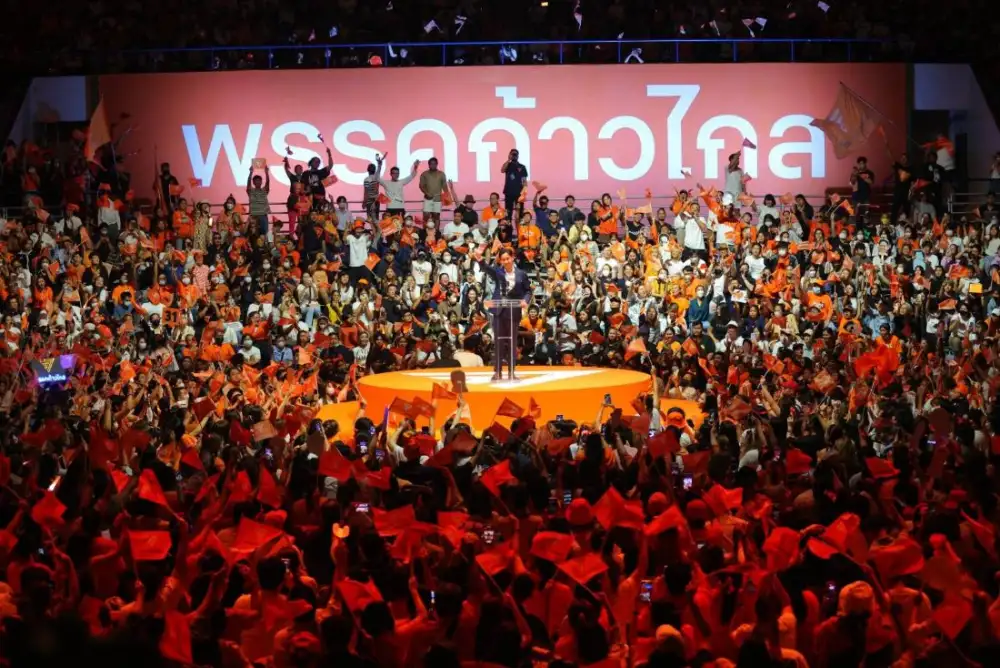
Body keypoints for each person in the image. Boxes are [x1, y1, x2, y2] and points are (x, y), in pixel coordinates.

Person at [485, 247, 530, 380]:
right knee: (498, 343)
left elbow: (528, 290)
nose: (505, 261)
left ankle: (511, 372)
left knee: (512, 343)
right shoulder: (498, 272)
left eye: (507, 259)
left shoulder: (521, 274)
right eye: (503, 259)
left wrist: (525, 300)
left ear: (512, 258)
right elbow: (487, 269)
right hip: (499, 312)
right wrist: (480, 260)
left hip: (513, 312)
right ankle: (497, 371)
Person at [418, 156, 447, 227]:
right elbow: (421, 186)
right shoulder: (424, 174)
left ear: (437, 164)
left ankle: (436, 232)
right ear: (429, 165)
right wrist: (427, 193)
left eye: (434, 164)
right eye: (431, 164)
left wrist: (447, 198)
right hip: (428, 198)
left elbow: (444, 186)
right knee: (426, 215)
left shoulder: (441, 174)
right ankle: (424, 231)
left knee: (436, 216)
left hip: (438, 199)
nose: (433, 165)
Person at [500, 148, 528, 223]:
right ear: (510, 155)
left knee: (520, 213)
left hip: (519, 193)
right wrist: (509, 159)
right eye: (512, 154)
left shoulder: (522, 167)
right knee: (508, 213)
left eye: (515, 154)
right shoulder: (507, 165)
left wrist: (524, 193)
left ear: (518, 156)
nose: (514, 155)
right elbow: (502, 170)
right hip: (509, 192)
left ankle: (521, 229)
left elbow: (524, 181)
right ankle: (508, 229)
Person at [246, 164, 271, 239]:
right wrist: (250, 172)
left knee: (264, 234)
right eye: (256, 181)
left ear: (261, 182)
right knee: (253, 235)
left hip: (263, 215)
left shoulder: (264, 190)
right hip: (254, 216)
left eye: (259, 181)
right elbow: (248, 183)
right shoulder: (251, 191)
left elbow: (268, 182)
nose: (257, 182)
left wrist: (266, 172)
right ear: (253, 182)